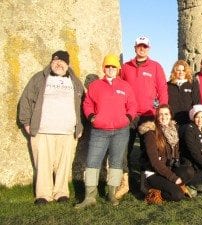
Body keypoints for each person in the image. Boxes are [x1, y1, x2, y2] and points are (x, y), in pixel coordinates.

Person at [18, 50, 84, 205]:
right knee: (43, 163)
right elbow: (26, 100)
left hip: (68, 131)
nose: (59, 64)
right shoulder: (39, 78)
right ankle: (43, 195)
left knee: (64, 164)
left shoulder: (75, 81)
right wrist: (26, 123)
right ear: (51, 62)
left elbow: (82, 104)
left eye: (62, 62)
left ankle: (61, 193)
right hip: (42, 130)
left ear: (67, 65)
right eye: (55, 61)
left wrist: (79, 126)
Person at [75, 54, 137, 209]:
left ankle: (111, 194)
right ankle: (90, 197)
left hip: (121, 131)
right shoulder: (95, 85)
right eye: (108, 66)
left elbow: (132, 105)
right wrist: (92, 118)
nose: (110, 69)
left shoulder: (125, 86)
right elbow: (87, 104)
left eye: (113, 66)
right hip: (99, 131)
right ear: (104, 68)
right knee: (92, 162)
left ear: (118, 69)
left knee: (116, 163)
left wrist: (127, 118)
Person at [119, 36, 168, 198]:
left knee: (148, 151)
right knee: (125, 148)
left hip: (148, 116)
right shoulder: (125, 67)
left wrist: (162, 111)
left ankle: (144, 184)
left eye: (145, 47)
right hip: (130, 115)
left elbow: (162, 90)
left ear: (149, 48)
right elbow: (121, 89)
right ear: (134, 48)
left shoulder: (155, 67)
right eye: (139, 46)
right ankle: (124, 182)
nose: (142, 49)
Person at [138, 104, 195, 201]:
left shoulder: (173, 129)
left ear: (170, 115)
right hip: (153, 172)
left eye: (166, 114)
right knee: (178, 195)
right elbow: (154, 162)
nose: (164, 117)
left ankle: (172, 186)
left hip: (168, 168)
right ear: (156, 116)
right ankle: (152, 190)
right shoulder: (150, 133)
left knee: (189, 171)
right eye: (160, 114)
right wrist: (174, 178)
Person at [167, 60, 200, 127]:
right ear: (174, 71)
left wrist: (195, 118)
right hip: (173, 121)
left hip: (188, 120)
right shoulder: (168, 85)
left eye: (183, 70)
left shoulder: (192, 83)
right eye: (178, 70)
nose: (181, 72)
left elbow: (197, 102)